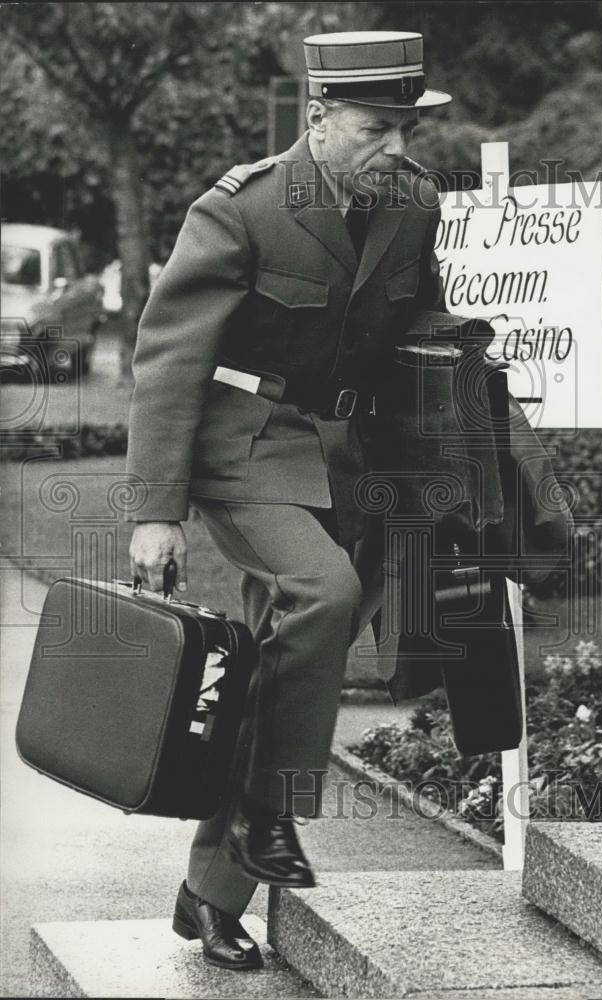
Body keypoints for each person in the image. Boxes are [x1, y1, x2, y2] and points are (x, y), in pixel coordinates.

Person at [125, 30, 453, 971]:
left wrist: (464, 361)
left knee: (279, 668)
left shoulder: (412, 202)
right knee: (323, 594)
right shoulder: (243, 210)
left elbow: (413, 318)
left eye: (404, 128)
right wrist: (157, 508)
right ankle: (275, 812)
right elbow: (169, 360)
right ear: (318, 117)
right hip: (247, 445)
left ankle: (211, 896)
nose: (393, 148)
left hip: (350, 457)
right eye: (374, 128)